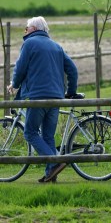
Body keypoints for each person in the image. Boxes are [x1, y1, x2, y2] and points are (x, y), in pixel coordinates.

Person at [7, 16, 78, 183]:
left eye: (26, 28)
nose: (25, 31)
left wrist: (14, 84)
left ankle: (55, 162)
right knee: (48, 136)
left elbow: (20, 68)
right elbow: (73, 70)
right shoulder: (56, 46)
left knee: (30, 132)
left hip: (37, 97)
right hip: (56, 98)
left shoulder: (29, 44)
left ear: (33, 28)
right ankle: (50, 175)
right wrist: (70, 92)